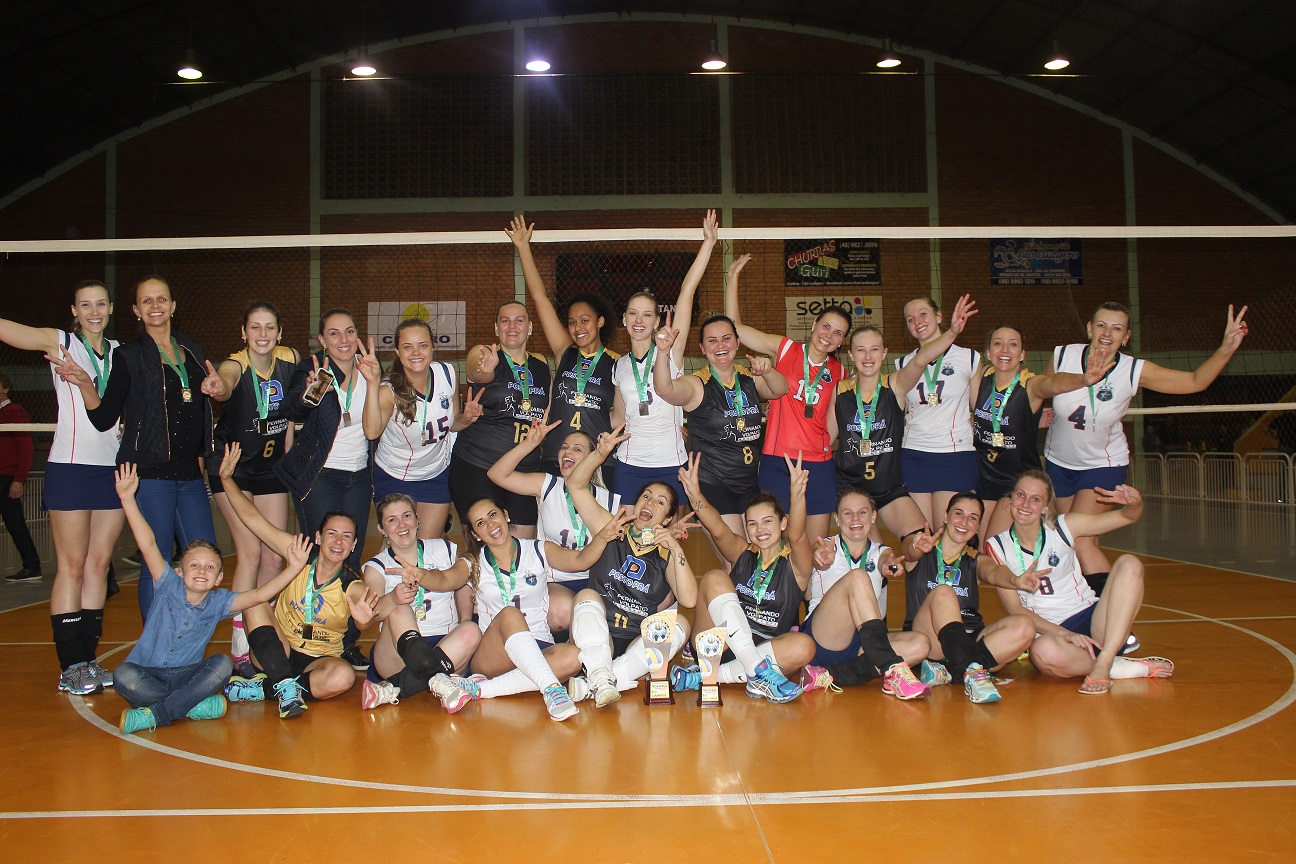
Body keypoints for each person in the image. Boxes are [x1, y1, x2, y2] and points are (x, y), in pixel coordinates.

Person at [1043, 302, 1248, 590]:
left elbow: (1195, 381)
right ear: (1090, 328)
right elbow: (1041, 386)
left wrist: (1226, 348)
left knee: (1080, 538)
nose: (1107, 333)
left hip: (1102, 465)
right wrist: (1039, 410)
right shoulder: (1063, 354)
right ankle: (1082, 606)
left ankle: (1112, 615)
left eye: (1116, 328)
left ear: (1126, 337)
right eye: (1101, 325)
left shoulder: (1132, 370)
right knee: (1072, 540)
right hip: (1059, 463)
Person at [61, 275, 222, 624]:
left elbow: (203, 402)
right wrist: (86, 384)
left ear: (173, 306)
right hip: (149, 476)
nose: (155, 307)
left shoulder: (192, 351)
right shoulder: (129, 356)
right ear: (136, 310)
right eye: (146, 301)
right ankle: (155, 648)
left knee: (206, 558)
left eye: (161, 299)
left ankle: (187, 641)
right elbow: (105, 417)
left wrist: (215, 389)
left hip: (190, 476)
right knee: (157, 562)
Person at [112, 463, 310, 734]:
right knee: (123, 675)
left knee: (223, 665)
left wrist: (294, 568)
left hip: (187, 676)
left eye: (209, 567)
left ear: (218, 578)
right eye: (194, 566)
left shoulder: (219, 602)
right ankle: (189, 706)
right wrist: (127, 500)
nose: (201, 571)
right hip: (148, 675)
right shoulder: (167, 583)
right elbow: (147, 543)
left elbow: (260, 595)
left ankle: (159, 713)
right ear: (180, 571)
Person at [1, 282, 125, 693]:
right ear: (74, 308)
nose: (94, 311)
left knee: (99, 565)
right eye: (85, 304)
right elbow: (16, 332)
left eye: (101, 304)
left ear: (111, 308)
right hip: (71, 468)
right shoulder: (62, 342)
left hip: (114, 471)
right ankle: (70, 664)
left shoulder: (122, 351)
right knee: (71, 565)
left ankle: (88, 659)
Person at [219, 444, 386, 717]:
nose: (338, 541)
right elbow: (254, 521)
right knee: (256, 600)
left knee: (343, 678)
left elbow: (363, 616)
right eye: (332, 533)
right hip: (278, 648)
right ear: (318, 538)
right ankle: (283, 683)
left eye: (346, 537)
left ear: (354, 545)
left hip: (317, 660)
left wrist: (364, 619)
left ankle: (267, 690)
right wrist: (226, 480)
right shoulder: (299, 554)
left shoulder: (352, 583)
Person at [431, 497, 625, 721]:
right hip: (495, 653)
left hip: (538, 643)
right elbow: (446, 579)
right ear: (475, 534)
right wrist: (421, 575)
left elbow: (580, 560)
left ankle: (482, 689)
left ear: (505, 515)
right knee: (510, 614)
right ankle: (551, 689)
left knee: (574, 657)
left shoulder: (537, 549)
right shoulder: (473, 561)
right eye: (480, 523)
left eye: (492, 515)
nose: (490, 525)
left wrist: (602, 537)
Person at [984, 470, 1174, 694]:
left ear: (1046, 507)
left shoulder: (1064, 527)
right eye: (1020, 495)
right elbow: (1015, 609)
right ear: (1011, 499)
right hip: (1051, 633)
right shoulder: (997, 547)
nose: (1025, 504)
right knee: (1043, 652)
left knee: (1130, 564)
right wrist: (1066, 634)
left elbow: (1128, 517)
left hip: (1093, 620)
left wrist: (1134, 504)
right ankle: (1117, 665)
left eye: (1035, 499)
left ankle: (1104, 664)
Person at [827, 295, 978, 561]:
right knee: (865, 555)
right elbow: (825, 438)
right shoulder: (840, 391)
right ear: (851, 354)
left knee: (921, 543)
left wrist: (952, 332)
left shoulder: (895, 385)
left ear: (885, 353)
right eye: (860, 350)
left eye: (875, 349)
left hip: (889, 488)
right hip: (851, 487)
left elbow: (921, 360)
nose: (868, 356)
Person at [562, 428, 697, 708]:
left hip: (636, 643)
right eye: (646, 496)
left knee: (680, 623)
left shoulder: (666, 551)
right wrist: (600, 453)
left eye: (660, 502)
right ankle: (602, 673)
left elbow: (689, 600)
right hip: (596, 636)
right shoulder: (612, 528)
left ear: (669, 517)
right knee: (585, 597)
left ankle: (602, 681)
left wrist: (675, 546)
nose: (649, 503)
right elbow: (575, 485)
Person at [725, 252, 850, 543]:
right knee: (777, 544)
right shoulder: (786, 349)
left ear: (842, 341)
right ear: (814, 323)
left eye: (838, 333)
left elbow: (834, 421)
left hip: (818, 464)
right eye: (826, 326)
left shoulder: (840, 372)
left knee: (813, 547)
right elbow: (734, 331)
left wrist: (822, 444)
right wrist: (732, 280)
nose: (829, 336)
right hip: (777, 461)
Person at [671, 452, 816, 703]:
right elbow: (716, 528)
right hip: (719, 645)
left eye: (768, 521)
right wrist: (694, 494)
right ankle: (755, 672)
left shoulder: (796, 565)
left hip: (766, 650)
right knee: (716, 577)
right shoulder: (742, 552)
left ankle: (712, 676)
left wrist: (797, 494)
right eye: (752, 524)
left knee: (805, 646)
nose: (760, 530)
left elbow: (799, 536)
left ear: (783, 524)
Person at [274, 308, 374, 669]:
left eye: (349, 332)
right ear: (322, 340)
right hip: (320, 475)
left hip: (359, 476)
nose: (343, 340)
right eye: (334, 334)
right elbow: (292, 411)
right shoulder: (312, 368)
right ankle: (301, 633)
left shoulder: (369, 369)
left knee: (352, 553)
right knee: (319, 555)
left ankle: (344, 641)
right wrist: (316, 387)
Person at [207, 300, 300, 675]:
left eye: (269, 328)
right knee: (248, 553)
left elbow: (294, 412)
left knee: (273, 557)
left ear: (280, 333)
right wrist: (219, 388)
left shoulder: (291, 359)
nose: (262, 334)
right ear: (243, 333)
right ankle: (241, 646)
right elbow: (227, 383)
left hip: (271, 469)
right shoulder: (235, 364)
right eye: (254, 328)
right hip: (232, 468)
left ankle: (265, 632)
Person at [652, 314, 789, 567]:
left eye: (726, 339)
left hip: (748, 484)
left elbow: (780, 389)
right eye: (712, 341)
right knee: (737, 563)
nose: (720, 346)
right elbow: (665, 389)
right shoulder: (698, 384)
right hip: (712, 485)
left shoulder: (748, 378)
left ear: (737, 342)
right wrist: (662, 352)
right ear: (703, 348)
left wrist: (769, 371)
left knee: (764, 558)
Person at [607, 210, 716, 505]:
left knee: (666, 542)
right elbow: (618, 416)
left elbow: (687, 291)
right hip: (629, 464)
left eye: (646, 314)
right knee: (625, 540)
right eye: (632, 313)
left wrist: (707, 243)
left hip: (671, 463)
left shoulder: (671, 351)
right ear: (625, 320)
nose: (638, 320)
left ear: (657, 321)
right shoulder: (619, 365)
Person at [974, 324, 1114, 538]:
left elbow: (1052, 383)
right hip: (986, 476)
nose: (1004, 350)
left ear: (1022, 354)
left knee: (993, 547)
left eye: (1013, 345)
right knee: (982, 551)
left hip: (1019, 480)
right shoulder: (980, 377)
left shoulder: (1030, 384)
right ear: (988, 352)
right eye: (998, 344)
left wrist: (1083, 380)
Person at [508, 216, 620, 480]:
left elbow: (621, 416)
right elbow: (539, 297)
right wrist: (523, 247)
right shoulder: (565, 352)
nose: (578, 328)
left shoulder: (617, 364)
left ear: (600, 322)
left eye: (585, 321)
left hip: (596, 459)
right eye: (571, 322)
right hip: (556, 455)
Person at [901, 492, 1038, 704]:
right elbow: (908, 552)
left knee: (1025, 626)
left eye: (973, 518)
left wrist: (1015, 580)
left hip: (970, 637)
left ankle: (949, 673)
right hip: (931, 640)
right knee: (944, 592)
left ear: (978, 526)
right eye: (958, 514)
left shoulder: (975, 559)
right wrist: (915, 545)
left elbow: (994, 572)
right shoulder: (923, 547)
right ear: (945, 516)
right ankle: (971, 671)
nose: (964, 522)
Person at [799, 488, 933, 699]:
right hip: (824, 639)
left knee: (921, 644)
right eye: (847, 513)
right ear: (837, 518)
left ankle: (827, 675)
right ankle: (892, 669)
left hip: (860, 645)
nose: (855, 518)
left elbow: (886, 559)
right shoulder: (826, 546)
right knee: (858, 577)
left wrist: (889, 565)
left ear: (873, 517)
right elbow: (818, 557)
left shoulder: (881, 551)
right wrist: (820, 558)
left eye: (862, 512)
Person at [357, 493, 483, 711]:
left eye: (407, 516)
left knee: (472, 629)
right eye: (391, 520)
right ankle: (437, 679)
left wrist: (464, 618)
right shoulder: (375, 566)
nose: (401, 525)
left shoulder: (444, 548)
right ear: (381, 529)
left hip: (446, 646)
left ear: (417, 519)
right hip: (397, 653)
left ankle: (394, 687)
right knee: (399, 609)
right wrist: (394, 598)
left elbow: (462, 582)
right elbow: (372, 613)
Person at [362, 318, 481, 537]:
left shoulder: (447, 373)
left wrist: (466, 417)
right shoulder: (389, 390)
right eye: (407, 347)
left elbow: (453, 422)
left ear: (432, 347)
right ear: (397, 351)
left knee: (427, 551)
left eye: (423, 345)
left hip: (436, 474)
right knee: (401, 550)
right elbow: (371, 432)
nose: (416, 352)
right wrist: (372, 383)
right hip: (395, 476)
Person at [451, 301, 552, 537]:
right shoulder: (484, 352)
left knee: (523, 543)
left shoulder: (540, 365)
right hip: (478, 465)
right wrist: (487, 369)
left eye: (519, 320)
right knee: (483, 546)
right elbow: (478, 371)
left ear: (530, 327)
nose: (512, 326)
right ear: (496, 328)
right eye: (505, 321)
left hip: (523, 469)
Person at [487, 416, 619, 593]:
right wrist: (530, 443)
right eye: (564, 447)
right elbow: (497, 475)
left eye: (577, 449)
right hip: (553, 578)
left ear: (592, 458)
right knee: (562, 609)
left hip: (593, 580)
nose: (567, 452)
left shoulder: (609, 500)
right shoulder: (547, 485)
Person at [895, 296, 982, 530]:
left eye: (923, 314)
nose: (917, 322)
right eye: (910, 319)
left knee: (949, 535)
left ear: (939, 316)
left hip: (954, 455)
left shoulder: (969, 358)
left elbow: (981, 410)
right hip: (914, 454)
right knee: (922, 537)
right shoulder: (902, 363)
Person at [0, 373, 41, 582]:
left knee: (15, 523)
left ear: (5, 389)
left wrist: (18, 479)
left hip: (6, 477)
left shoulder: (13, 411)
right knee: (14, 522)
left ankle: (32, 566)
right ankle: (32, 565)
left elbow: (26, 447)